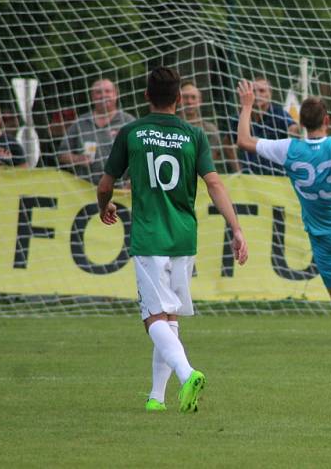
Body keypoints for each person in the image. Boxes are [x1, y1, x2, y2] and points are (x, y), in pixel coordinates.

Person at [97, 67, 248, 413]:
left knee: (153, 319)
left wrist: (104, 207)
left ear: (146, 95)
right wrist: (236, 228)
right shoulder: (195, 135)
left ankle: (187, 373)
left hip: (151, 237)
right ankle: (156, 398)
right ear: (179, 99)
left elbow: (106, 184)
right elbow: (214, 184)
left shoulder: (131, 132)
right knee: (170, 318)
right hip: (183, 237)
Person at [235, 79, 331, 354]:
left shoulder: (288, 148)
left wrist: (247, 106)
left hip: (325, 234)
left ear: (301, 124)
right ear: (327, 120)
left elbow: (244, 141)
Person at [59, 78, 135, 184]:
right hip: (85, 189)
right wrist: (78, 159)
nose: (103, 95)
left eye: (108, 91)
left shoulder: (128, 122)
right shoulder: (81, 122)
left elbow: (141, 155)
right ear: (92, 97)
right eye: (98, 92)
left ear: (116, 94)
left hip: (120, 190)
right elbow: (61, 154)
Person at [227, 76, 299, 175]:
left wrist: (303, 125)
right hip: (249, 178)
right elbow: (227, 144)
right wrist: (238, 170)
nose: (257, 95)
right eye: (254, 91)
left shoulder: (279, 114)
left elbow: (293, 130)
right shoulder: (241, 117)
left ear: (270, 94)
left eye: (262, 91)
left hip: (276, 177)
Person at [179, 81, 222, 168]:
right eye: (185, 97)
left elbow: (211, 160)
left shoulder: (210, 129)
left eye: (193, 97)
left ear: (200, 101)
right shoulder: (169, 125)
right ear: (178, 99)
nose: (189, 101)